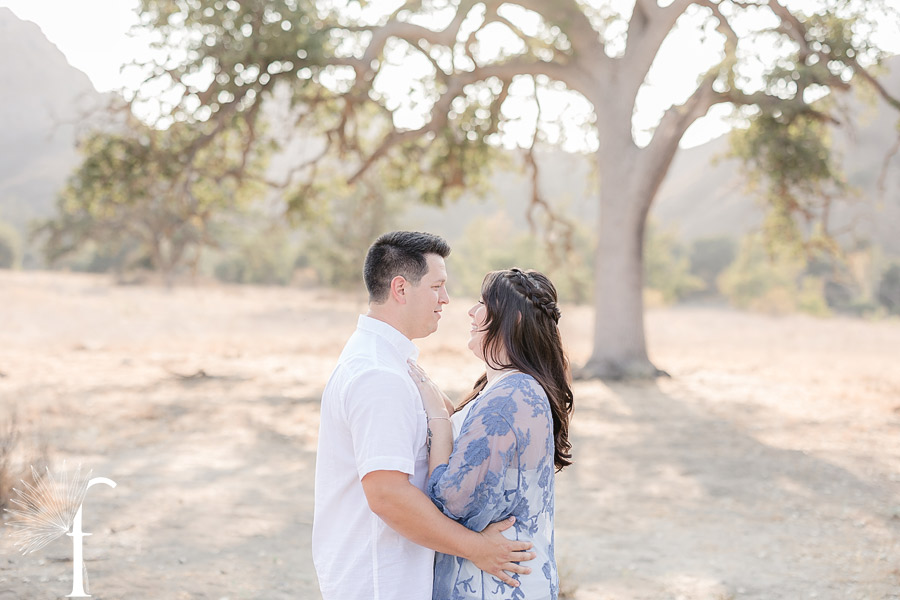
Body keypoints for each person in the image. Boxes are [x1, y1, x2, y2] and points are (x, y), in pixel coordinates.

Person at [312, 232, 535, 600]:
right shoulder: (378, 374)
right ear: (401, 289)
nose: (446, 299)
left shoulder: (387, 361)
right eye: (437, 286)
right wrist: (477, 548)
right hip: (380, 581)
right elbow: (387, 494)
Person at [408, 267, 574, 600]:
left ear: (511, 321)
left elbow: (452, 501)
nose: (471, 311)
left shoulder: (510, 397)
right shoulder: (510, 389)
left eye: (484, 303)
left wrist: (439, 418)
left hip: (496, 586)